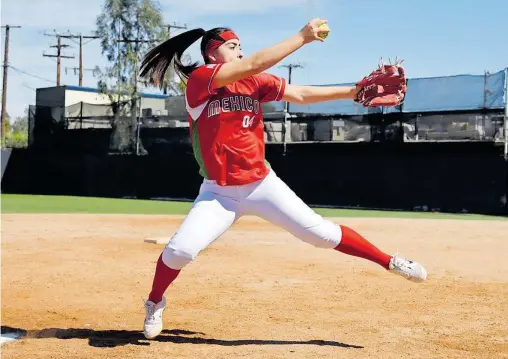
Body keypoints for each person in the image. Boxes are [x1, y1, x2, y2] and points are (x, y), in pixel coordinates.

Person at [138, 18, 427, 340]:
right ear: (212, 54)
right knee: (180, 251)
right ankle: (154, 301)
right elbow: (255, 62)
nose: (240, 52)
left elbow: (299, 93)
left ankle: (391, 261)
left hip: (262, 185)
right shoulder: (202, 80)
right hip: (219, 194)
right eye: (232, 47)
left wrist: (353, 91)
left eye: (241, 47)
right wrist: (301, 38)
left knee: (322, 235)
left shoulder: (253, 83)